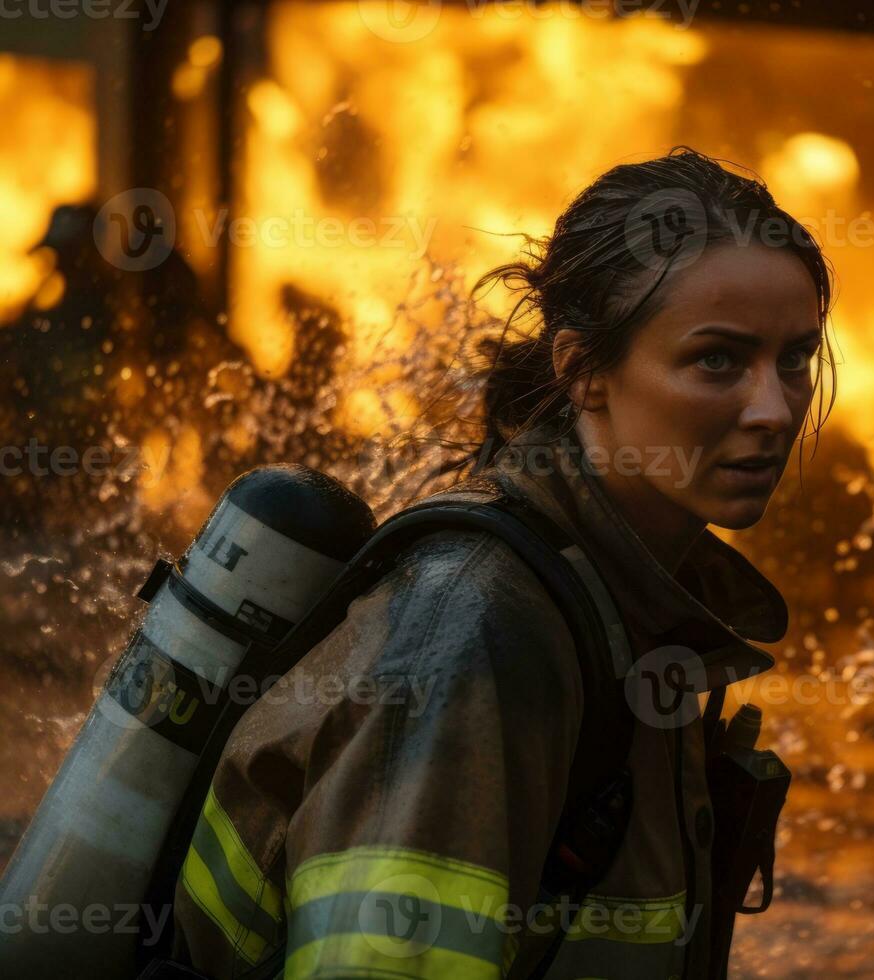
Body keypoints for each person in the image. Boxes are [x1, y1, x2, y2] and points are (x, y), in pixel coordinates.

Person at [168, 145, 837, 979]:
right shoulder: (476, 632)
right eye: (716, 360)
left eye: (795, 359)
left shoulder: (629, 601)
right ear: (582, 371)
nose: (774, 409)